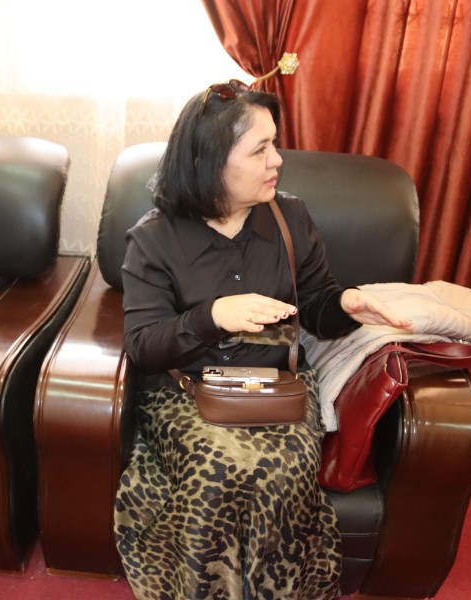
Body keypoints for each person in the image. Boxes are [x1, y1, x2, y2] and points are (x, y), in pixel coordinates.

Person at [114, 80, 413, 599]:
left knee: (284, 471)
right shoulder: (154, 238)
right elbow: (143, 346)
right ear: (210, 162)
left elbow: (316, 305)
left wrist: (345, 305)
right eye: (260, 150)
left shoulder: (289, 217)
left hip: (278, 385)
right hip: (186, 390)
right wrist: (212, 316)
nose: (277, 160)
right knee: (219, 469)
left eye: (274, 144)